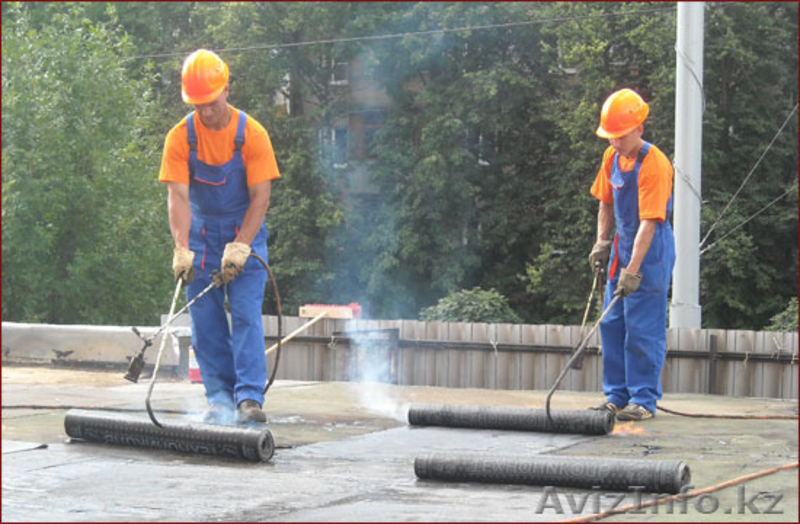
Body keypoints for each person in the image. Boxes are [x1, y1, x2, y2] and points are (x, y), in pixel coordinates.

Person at [159, 49, 280, 424]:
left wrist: (242, 244)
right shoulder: (181, 137)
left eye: (210, 103)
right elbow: (178, 197)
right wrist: (181, 248)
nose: (205, 112)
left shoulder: (252, 135)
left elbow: (261, 197)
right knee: (204, 319)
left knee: (245, 314)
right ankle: (218, 398)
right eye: (197, 105)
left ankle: (248, 398)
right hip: (201, 236)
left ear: (226, 89)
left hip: (245, 231)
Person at [588, 88, 675, 421]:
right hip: (621, 249)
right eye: (610, 136)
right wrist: (601, 242)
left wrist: (633, 269)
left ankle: (643, 400)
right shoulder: (611, 157)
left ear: (639, 128)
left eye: (620, 136)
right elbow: (606, 202)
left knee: (642, 327)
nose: (614, 142)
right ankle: (616, 396)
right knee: (612, 322)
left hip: (650, 254)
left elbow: (649, 223)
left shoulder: (655, 164)